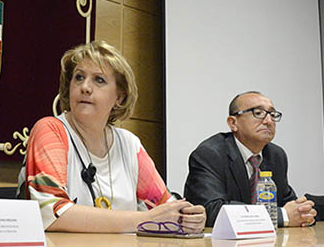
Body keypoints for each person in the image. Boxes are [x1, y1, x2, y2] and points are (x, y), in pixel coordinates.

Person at [19, 41, 205, 233]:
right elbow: (51, 213)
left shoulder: (129, 144)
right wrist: (145, 220)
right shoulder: (51, 131)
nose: (85, 87)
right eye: (79, 77)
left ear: (120, 97)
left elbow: (162, 207)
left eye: (98, 80)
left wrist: (188, 217)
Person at [184, 91, 316, 228]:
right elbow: (211, 211)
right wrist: (281, 216)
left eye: (272, 114)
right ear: (233, 123)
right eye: (258, 113)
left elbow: (287, 202)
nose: (268, 121)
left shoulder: (276, 155)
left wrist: (303, 212)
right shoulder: (210, 154)